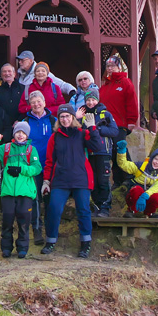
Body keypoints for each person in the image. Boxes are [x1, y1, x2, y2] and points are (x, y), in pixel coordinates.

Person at [40, 103, 101, 258]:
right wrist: (46, 181)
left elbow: (97, 147)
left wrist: (92, 128)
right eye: (62, 117)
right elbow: (49, 161)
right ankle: (51, 241)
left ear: (73, 117)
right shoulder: (55, 137)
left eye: (67, 116)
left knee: (83, 210)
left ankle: (85, 243)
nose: (65, 119)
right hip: (60, 179)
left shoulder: (81, 133)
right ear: (58, 119)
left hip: (81, 177)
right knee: (54, 209)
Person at [0, 121, 41, 259]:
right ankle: (6, 248)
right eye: (18, 132)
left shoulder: (31, 150)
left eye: (23, 133)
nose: (20, 135)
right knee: (7, 220)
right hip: (8, 191)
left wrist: (22, 169)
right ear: (14, 133)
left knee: (24, 221)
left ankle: (22, 248)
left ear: (27, 135)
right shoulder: (6, 148)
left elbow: (37, 168)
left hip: (26, 192)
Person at [75, 90, 119, 217]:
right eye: (88, 100)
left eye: (93, 100)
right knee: (92, 180)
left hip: (103, 151)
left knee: (103, 180)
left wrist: (96, 128)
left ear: (97, 100)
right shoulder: (82, 114)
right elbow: (75, 130)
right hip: (88, 152)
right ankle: (97, 205)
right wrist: (77, 118)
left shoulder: (105, 114)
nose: (90, 102)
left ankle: (105, 207)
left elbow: (114, 131)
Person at [99, 54, 140, 189]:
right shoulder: (104, 86)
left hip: (120, 124)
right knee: (112, 152)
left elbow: (132, 102)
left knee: (120, 148)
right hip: (107, 125)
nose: (110, 68)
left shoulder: (125, 82)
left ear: (119, 67)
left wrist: (132, 120)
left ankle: (130, 176)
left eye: (113, 66)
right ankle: (118, 180)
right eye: (108, 66)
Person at [23, 91, 55, 244]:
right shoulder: (25, 122)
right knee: (34, 199)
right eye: (33, 102)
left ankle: (51, 230)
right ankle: (36, 230)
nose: (36, 104)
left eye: (39, 101)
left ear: (44, 102)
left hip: (50, 165)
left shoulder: (54, 120)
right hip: (32, 166)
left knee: (50, 198)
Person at [115, 139, 158, 218]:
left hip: (148, 194)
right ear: (151, 159)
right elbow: (124, 164)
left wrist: (145, 195)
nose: (157, 162)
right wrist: (121, 151)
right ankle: (131, 210)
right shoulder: (141, 166)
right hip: (135, 193)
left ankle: (149, 212)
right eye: (156, 159)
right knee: (137, 190)